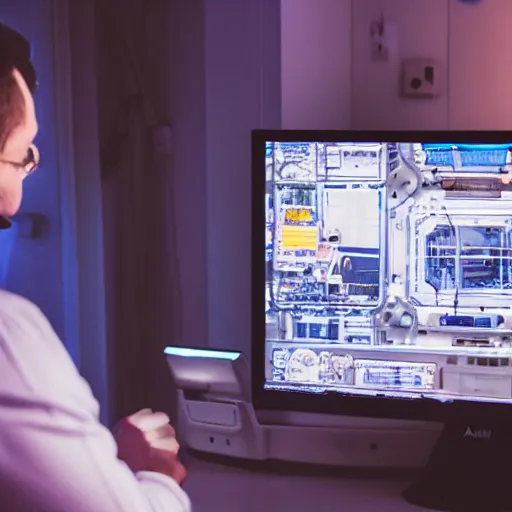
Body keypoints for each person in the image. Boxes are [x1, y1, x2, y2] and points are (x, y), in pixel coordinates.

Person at [0, 23, 191, 512]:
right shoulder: (8, 336)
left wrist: (85, 456)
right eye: (21, 157)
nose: (17, 196)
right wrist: (149, 474)